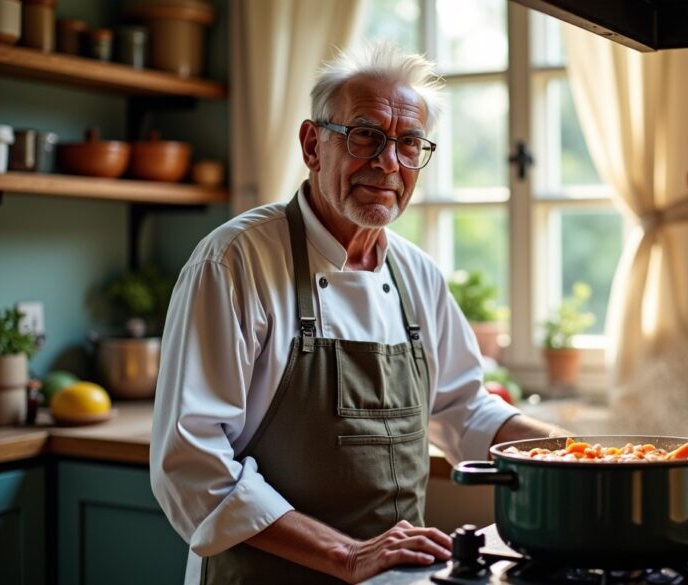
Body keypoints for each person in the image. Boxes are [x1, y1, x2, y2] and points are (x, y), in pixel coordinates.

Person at [150, 42, 559, 585]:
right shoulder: (235, 261)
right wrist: (346, 555)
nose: (388, 163)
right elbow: (191, 465)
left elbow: (463, 409)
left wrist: (575, 453)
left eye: (409, 143)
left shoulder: (418, 274)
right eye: (366, 135)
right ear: (312, 145)